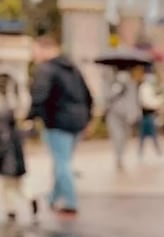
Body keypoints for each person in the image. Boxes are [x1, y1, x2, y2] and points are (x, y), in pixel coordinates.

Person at [27, 32, 93, 216]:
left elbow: (40, 95)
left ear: (45, 49)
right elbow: (88, 95)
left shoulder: (46, 69)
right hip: (77, 121)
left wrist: (29, 117)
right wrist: (87, 118)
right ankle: (54, 197)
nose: (34, 55)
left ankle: (70, 200)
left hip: (58, 122)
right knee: (63, 161)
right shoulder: (72, 68)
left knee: (61, 162)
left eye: (35, 50)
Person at [0, 73, 35, 222]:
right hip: (15, 146)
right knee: (17, 182)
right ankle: (29, 198)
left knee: (8, 183)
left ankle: (11, 210)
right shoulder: (15, 103)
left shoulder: (3, 106)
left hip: (5, 148)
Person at [105, 68, 141, 171]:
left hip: (127, 116)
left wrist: (134, 114)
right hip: (114, 115)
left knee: (125, 138)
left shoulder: (132, 84)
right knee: (118, 137)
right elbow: (107, 98)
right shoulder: (112, 84)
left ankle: (121, 156)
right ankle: (118, 158)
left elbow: (134, 100)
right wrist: (117, 90)